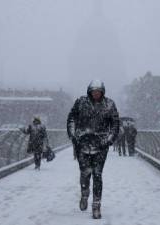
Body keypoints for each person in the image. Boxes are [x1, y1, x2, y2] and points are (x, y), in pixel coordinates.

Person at [67, 79, 119, 219]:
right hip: (82, 144)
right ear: (89, 91)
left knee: (97, 175)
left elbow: (115, 125)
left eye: (98, 92)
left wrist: (109, 140)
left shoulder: (109, 105)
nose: (96, 94)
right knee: (85, 173)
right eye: (93, 91)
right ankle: (84, 194)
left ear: (102, 92)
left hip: (101, 145)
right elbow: (71, 118)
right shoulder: (81, 102)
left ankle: (96, 205)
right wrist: (73, 135)